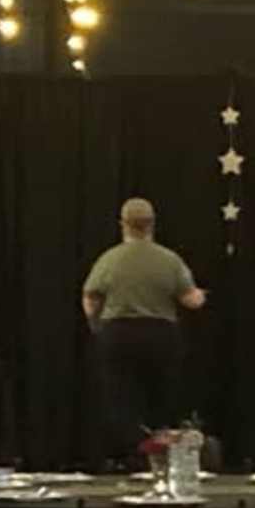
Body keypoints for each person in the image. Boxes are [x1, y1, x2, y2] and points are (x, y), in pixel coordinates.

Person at [82, 198, 206, 464]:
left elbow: (91, 298)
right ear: (152, 225)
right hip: (160, 335)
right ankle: (161, 460)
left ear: (123, 225)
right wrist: (202, 295)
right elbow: (191, 301)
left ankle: (129, 457)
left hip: (118, 335)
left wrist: (98, 327)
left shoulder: (109, 259)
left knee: (121, 400)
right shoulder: (169, 259)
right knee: (162, 400)